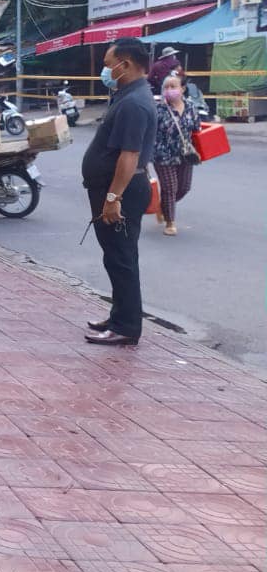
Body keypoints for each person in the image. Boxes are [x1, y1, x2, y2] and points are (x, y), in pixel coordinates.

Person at [82, 37, 157, 346]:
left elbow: (130, 156)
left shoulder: (134, 104)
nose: (105, 70)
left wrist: (113, 198)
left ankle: (126, 326)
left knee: (121, 258)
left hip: (120, 192)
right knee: (116, 257)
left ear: (124, 65)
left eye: (108, 64)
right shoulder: (127, 95)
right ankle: (119, 316)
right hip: (113, 189)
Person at [153, 73, 200, 236]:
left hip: (185, 154)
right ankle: (170, 222)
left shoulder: (191, 107)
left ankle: (162, 207)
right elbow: (148, 132)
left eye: (173, 86)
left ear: (183, 89)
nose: (169, 90)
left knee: (184, 187)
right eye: (166, 87)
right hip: (162, 154)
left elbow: (197, 129)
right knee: (170, 188)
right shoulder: (158, 109)